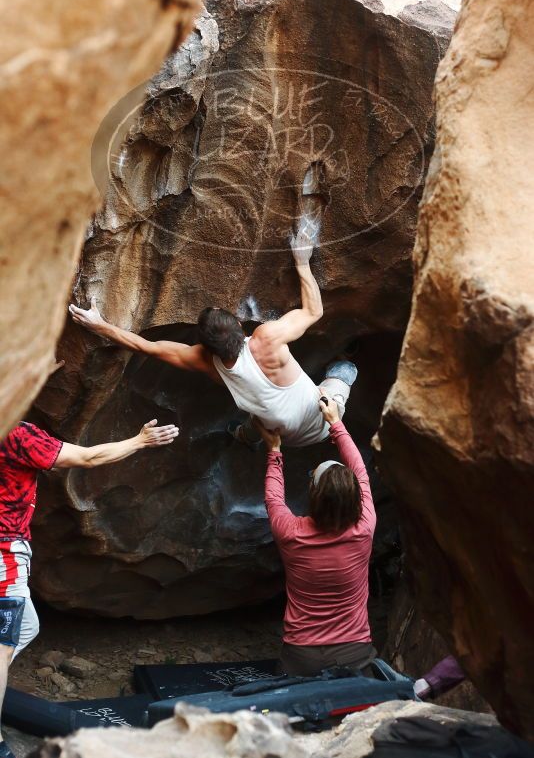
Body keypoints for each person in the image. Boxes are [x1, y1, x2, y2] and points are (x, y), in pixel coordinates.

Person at [69, 226, 357, 449]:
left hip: (283, 436)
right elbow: (313, 311)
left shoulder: (204, 361)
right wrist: (302, 259)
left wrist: (100, 326)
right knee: (343, 372)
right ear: (241, 329)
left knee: (257, 422)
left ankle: (243, 438)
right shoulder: (267, 338)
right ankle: (346, 362)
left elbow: (147, 347)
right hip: (325, 422)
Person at [0, 418, 178, 758]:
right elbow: (88, 458)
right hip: (4, 553)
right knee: (2, 648)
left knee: (26, 626)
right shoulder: (16, 432)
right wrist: (139, 440)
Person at [255, 392, 377, 676]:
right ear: (356, 497)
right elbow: (360, 471)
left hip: (301, 656)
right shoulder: (365, 526)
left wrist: (274, 449)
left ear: (313, 494)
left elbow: (274, 499)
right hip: (354, 652)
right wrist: (336, 423)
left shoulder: (291, 533)